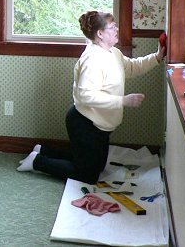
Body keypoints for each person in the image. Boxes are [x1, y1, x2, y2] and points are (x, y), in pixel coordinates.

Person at [16, 11, 166, 184]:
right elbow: (86, 96)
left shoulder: (113, 53)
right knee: (87, 175)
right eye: (112, 27)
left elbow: (132, 67)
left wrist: (157, 57)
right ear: (100, 34)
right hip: (85, 123)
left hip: (100, 125)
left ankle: (42, 150)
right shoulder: (93, 59)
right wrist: (123, 101)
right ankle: (37, 162)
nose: (117, 29)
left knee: (95, 166)